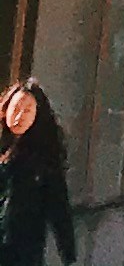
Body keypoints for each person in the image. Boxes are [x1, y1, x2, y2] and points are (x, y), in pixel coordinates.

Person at [0, 85, 76, 266]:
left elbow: (59, 207)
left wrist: (68, 252)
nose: (19, 116)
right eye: (16, 108)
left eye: (27, 110)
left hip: (22, 253)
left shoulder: (43, 159)